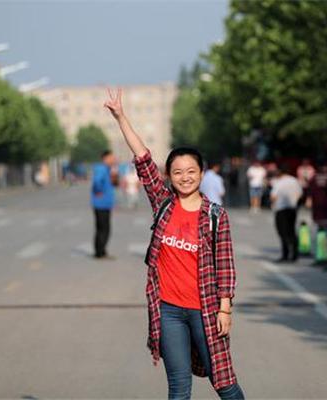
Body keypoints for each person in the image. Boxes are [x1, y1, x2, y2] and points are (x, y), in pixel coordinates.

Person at [104, 88, 244, 400]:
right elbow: (143, 159)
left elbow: (226, 265)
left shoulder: (215, 216)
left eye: (191, 171)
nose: (184, 177)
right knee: (179, 387)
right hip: (168, 311)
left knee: (224, 382)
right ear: (169, 175)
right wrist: (120, 117)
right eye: (178, 172)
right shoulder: (164, 204)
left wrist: (225, 309)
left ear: (201, 174)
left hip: (206, 310)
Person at [270, 165, 303, 262]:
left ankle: (285, 254)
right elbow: (300, 193)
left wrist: (272, 204)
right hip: (292, 208)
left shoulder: (279, 182)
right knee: (291, 231)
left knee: (282, 232)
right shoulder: (294, 181)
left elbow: (273, 196)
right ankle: (295, 255)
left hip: (281, 209)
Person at [91, 150, 118, 259]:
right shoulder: (102, 169)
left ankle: (100, 251)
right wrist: (98, 191)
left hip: (104, 204)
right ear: (105, 158)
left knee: (102, 229)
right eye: (111, 157)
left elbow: (114, 183)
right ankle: (100, 252)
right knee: (103, 229)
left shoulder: (107, 169)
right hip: (101, 204)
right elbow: (97, 182)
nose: (113, 159)